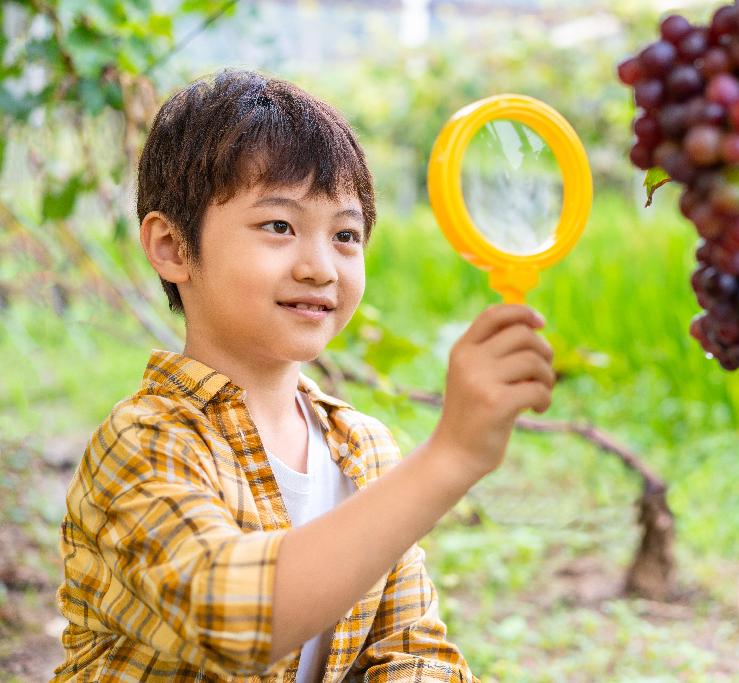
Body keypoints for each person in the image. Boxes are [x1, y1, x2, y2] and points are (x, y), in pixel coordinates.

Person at [52, 69, 555, 682]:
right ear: (173, 247)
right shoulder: (144, 444)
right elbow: (229, 617)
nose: (320, 268)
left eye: (346, 235)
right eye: (279, 226)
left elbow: (411, 651)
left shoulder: (364, 452)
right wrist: (450, 456)